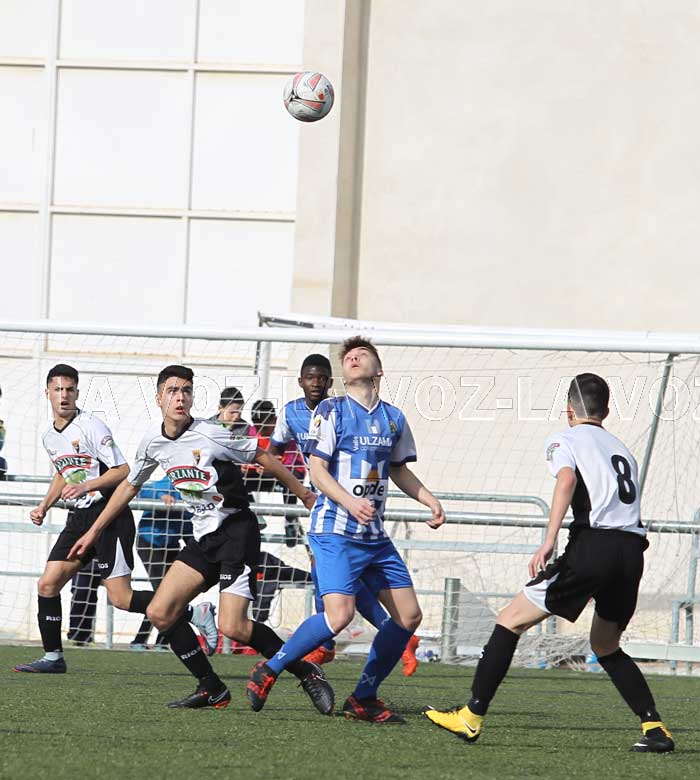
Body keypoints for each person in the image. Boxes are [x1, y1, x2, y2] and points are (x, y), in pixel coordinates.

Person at [424, 373, 674, 753]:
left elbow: (566, 480)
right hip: (630, 552)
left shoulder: (565, 439)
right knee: (605, 644)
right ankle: (654, 727)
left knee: (510, 619)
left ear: (569, 410)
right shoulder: (623, 449)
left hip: (595, 546)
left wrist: (549, 539)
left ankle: (471, 716)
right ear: (606, 412)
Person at [66, 364, 333, 713]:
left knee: (233, 626)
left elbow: (263, 456)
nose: (180, 398)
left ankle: (306, 672)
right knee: (161, 612)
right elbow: (130, 486)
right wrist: (94, 530)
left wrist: (306, 495)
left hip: (236, 532)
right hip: (203, 538)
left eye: (186, 391)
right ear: (159, 397)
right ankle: (212, 687)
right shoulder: (153, 441)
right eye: (173, 391)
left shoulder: (212, 434)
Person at [247, 337, 445, 722]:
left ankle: (363, 698)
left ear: (378, 370)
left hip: (373, 537)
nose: (353, 358)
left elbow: (399, 469)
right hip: (334, 530)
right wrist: (350, 502)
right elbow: (317, 471)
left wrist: (430, 500)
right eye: (348, 356)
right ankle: (269, 668)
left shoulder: (394, 418)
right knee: (339, 615)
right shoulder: (331, 410)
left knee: (409, 617)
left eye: (362, 354)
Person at [13, 364, 217, 674]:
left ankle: (192, 612)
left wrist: (87, 486)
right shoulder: (49, 436)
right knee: (48, 584)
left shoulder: (91, 427)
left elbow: (122, 471)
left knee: (121, 598)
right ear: (47, 393)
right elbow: (63, 472)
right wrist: (44, 505)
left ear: (77, 392)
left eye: (69, 389)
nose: (64, 395)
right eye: (58, 389)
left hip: (109, 517)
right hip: (79, 519)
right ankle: (53, 657)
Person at [267, 354, 421, 675]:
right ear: (300, 381)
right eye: (310, 377)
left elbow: (392, 466)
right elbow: (273, 453)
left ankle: (334, 642)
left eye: (321, 378)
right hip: (321, 504)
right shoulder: (291, 412)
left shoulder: (340, 411)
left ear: (329, 381)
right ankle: (370, 637)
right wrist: (298, 489)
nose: (315, 383)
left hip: (346, 510)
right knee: (332, 579)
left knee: (340, 581)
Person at [130, 477, 194, 650]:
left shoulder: (195, 491)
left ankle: (161, 642)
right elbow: (143, 490)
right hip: (149, 543)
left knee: (172, 595)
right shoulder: (170, 482)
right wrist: (161, 496)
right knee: (162, 595)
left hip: (172, 545)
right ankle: (140, 640)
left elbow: (188, 525)